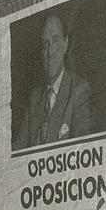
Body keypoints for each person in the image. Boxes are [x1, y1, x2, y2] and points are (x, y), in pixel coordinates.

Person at [13, 12, 92, 148]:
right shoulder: (35, 98)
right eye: (45, 44)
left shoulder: (78, 90)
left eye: (55, 41)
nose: (50, 53)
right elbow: (18, 149)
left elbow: (82, 147)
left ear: (65, 44)